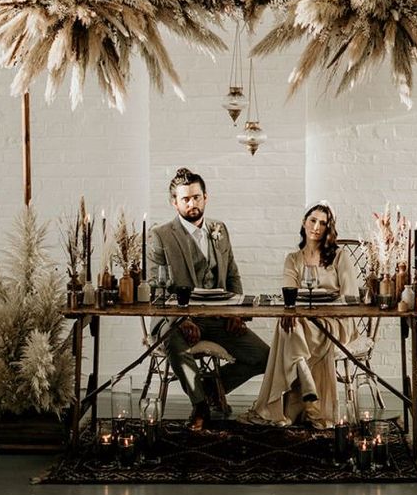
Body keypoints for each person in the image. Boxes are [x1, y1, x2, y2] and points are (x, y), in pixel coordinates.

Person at [148, 167, 269, 430]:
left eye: (196, 197)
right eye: (185, 199)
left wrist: (235, 313)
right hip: (177, 319)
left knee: (265, 357)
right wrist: (181, 319)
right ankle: (200, 406)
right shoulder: (161, 236)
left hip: (218, 316)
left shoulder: (219, 229)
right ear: (174, 203)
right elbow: (156, 290)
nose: (192, 203)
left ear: (206, 197)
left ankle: (209, 389)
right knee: (173, 340)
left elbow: (233, 275)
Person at [241, 201, 359, 428]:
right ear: (304, 223)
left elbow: (349, 299)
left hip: (335, 321)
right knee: (288, 324)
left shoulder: (339, 257)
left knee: (291, 327)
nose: (317, 226)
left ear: (328, 229)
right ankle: (309, 396)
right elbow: (289, 295)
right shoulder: (293, 259)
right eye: (313, 220)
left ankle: (301, 388)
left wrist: (310, 311)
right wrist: (292, 311)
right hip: (304, 322)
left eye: (323, 223)